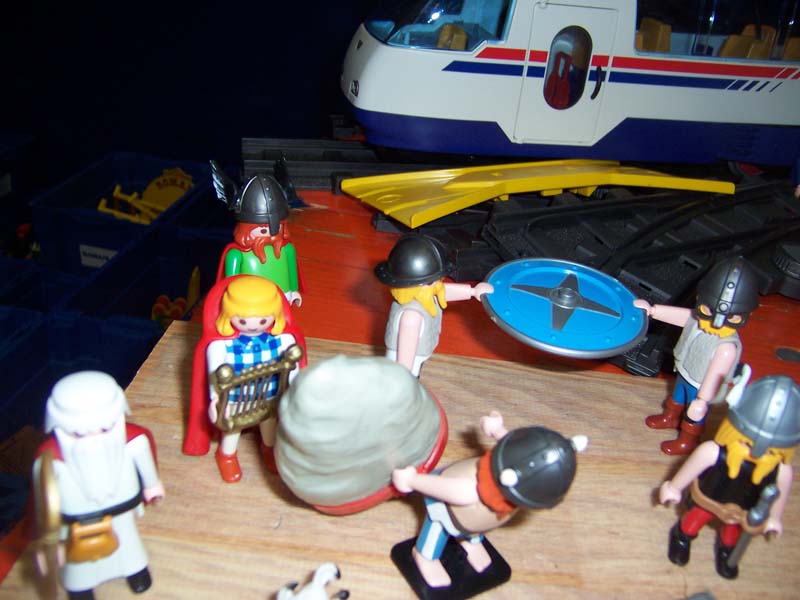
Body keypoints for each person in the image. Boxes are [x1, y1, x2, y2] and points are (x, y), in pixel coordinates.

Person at [391, 411, 585, 592]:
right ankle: (425, 556)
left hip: (476, 518)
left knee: (477, 525)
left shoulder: (512, 481)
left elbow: (516, 449)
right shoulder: (467, 491)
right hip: (443, 505)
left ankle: (470, 541)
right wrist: (411, 480)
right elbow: (445, 488)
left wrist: (496, 429)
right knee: (438, 529)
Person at [32, 371, 164, 600]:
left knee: (128, 542)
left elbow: (145, 461)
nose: (93, 437)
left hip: (122, 510)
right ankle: (81, 586)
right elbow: (42, 498)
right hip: (74, 521)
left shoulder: (132, 442)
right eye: (79, 433)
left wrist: (152, 486)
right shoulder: (49, 461)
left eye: (104, 428)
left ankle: (135, 571)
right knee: (78, 560)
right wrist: (48, 531)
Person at [659, 374, 799, 579]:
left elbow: (779, 496)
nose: (756, 452)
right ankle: (682, 537)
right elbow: (692, 467)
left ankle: (726, 551)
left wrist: (774, 518)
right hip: (709, 499)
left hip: (743, 510)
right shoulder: (713, 452)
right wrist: (674, 487)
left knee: (731, 534)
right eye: (746, 443)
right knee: (693, 520)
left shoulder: (781, 471)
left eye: (770, 450)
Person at [183, 275, 306, 482]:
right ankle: (227, 455)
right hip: (236, 400)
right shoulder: (221, 346)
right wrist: (215, 400)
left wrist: (294, 389)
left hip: (269, 396)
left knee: (269, 424)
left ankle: (268, 449)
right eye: (242, 320)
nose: (253, 326)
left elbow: (293, 367)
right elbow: (214, 375)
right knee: (233, 430)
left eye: (262, 320)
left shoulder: (282, 340)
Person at [635, 256, 759, 454]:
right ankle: (670, 417)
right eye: (708, 310)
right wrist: (652, 310)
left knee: (694, 415)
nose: (717, 322)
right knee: (677, 398)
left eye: (732, 317)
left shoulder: (726, 346)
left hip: (700, 385)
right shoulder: (699, 318)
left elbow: (715, 377)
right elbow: (683, 316)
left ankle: (688, 440)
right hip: (684, 370)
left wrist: (702, 400)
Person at [376, 234, 492, 376]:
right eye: (434, 280)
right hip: (406, 363)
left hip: (416, 355)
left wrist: (473, 291)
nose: (439, 283)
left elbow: (442, 291)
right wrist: (404, 377)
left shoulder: (424, 293)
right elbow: (405, 355)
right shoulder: (412, 316)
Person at [211, 161, 303, 306]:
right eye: (262, 230)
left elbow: (291, 270)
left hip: (282, 298)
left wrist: (294, 290)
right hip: (249, 304)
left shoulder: (287, 250)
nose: (271, 235)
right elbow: (230, 282)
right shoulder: (236, 255)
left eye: (277, 228)